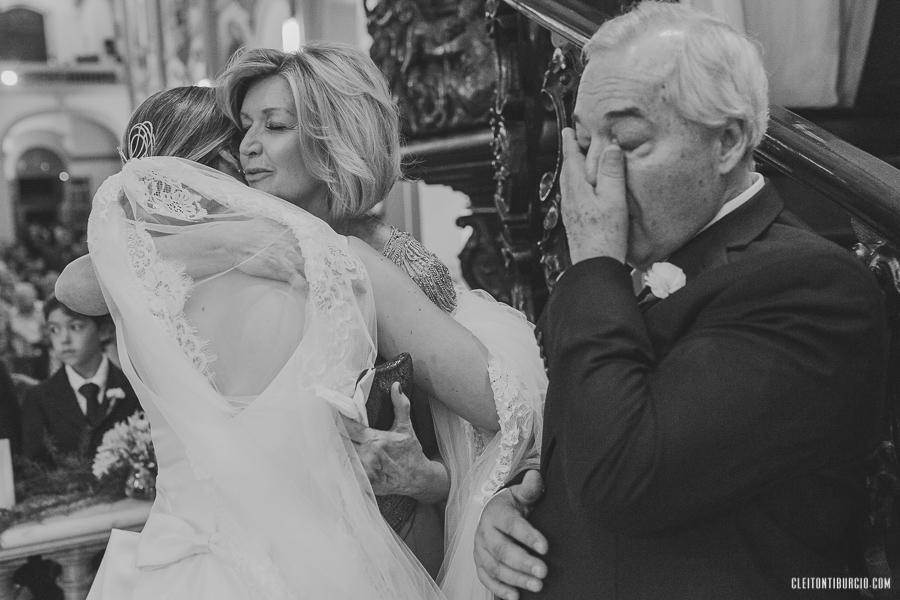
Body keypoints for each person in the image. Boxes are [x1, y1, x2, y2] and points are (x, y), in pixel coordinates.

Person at [59, 48, 542, 600]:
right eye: (243, 128)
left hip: (369, 543)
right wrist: (227, 241)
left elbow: (494, 408)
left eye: (274, 126)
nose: (247, 146)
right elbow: (75, 284)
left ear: (331, 143)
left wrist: (436, 481)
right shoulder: (203, 268)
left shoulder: (373, 263)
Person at [474, 3, 887, 600]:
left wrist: (593, 265)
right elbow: (590, 432)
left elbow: (625, 476)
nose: (597, 175)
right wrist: (518, 504)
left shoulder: (811, 286)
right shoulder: (623, 270)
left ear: (727, 142)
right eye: (585, 144)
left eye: (628, 142)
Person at [20, 296, 140, 466]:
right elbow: (34, 466)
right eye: (54, 330)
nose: (64, 339)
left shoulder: (133, 388)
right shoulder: (38, 398)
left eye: (75, 327)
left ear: (104, 331)